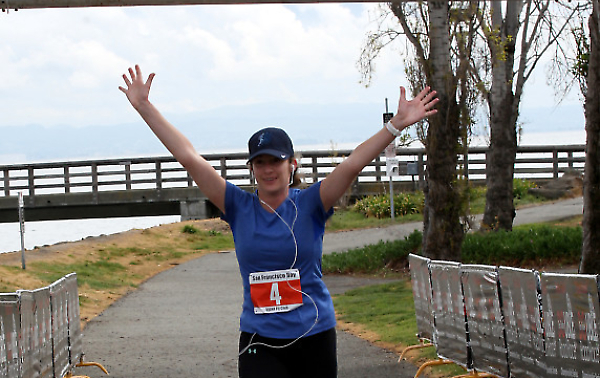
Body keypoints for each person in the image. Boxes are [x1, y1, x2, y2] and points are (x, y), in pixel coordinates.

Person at [119, 65, 438, 378]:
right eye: (260, 162)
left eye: (276, 160)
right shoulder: (238, 206)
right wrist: (145, 107)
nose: (268, 169)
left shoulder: (312, 203)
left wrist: (395, 125)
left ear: (292, 165)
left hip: (314, 335)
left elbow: (353, 164)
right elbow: (189, 158)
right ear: (252, 169)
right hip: (260, 340)